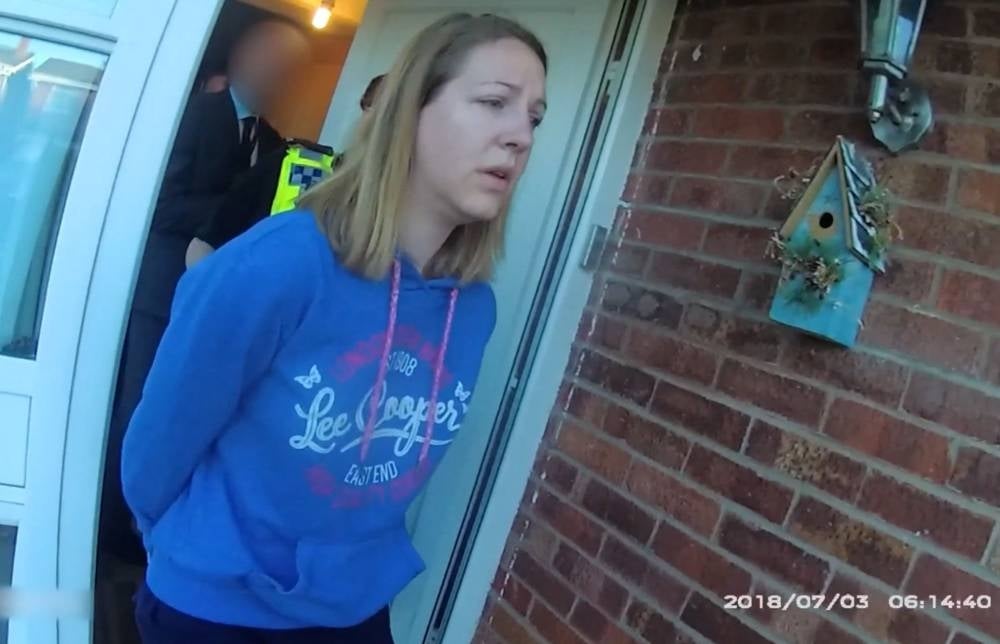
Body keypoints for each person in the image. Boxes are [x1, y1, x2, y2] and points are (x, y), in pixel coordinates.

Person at [121, 12, 547, 643]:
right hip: (215, 612)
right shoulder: (279, 264)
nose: (520, 136)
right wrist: (192, 556)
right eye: (494, 103)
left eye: (534, 117)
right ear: (410, 111)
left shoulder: (472, 310)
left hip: (353, 612)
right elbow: (157, 451)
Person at [99, 17, 309, 566]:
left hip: (216, 304)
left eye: (290, 69)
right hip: (160, 289)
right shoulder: (194, 115)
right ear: (244, 57)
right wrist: (227, 220)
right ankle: (106, 537)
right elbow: (159, 204)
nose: (280, 75)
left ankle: (145, 532)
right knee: (136, 409)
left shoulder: (271, 143)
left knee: (182, 410)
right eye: (273, 61)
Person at [185, 73, 387, 268]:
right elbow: (204, 244)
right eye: (386, 113)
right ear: (366, 109)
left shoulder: (400, 214)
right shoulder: (294, 161)